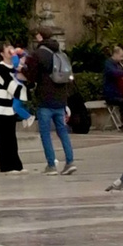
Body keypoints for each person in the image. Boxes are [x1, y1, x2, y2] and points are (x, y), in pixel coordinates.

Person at [27, 30, 74, 174]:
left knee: (45, 133)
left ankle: (51, 165)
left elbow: (32, 76)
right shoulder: (60, 52)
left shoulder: (38, 54)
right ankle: (70, 162)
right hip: (60, 99)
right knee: (62, 131)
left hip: (45, 100)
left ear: (40, 37)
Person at [0, 41, 29, 176]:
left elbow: (24, 81)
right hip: (0, 108)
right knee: (3, 137)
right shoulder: (1, 68)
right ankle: (6, 166)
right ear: (2, 53)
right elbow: (11, 87)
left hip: (10, 108)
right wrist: (23, 87)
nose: (11, 50)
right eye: (7, 48)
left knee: (12, 136)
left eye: (11, 47)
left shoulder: (14, 67)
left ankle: (16, 165)